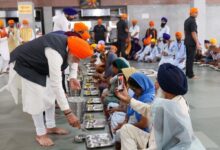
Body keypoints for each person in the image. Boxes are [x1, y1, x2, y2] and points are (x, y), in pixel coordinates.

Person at [1, 34, 93, 146]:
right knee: (37, 98)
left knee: (50, 94)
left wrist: (73, 77)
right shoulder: (55, 53)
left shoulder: (72, 48)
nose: (77, 62)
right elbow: (56, 84)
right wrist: (68, 113)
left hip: (40, 64)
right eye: (77, 58)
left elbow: (74, 63)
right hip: (26, 64)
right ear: (71, 52)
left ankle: (50, 126)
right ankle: (40, 134)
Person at [115, 63, 205, 150]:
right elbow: (150, 110)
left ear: (165, 87)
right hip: (152, 140)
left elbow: (161, 145)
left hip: (161, 146)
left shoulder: (175, 111)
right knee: (126, 129)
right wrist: (129, 100)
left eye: (157, 81)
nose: (155, 84)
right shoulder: (169, 102)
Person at [115, 72, 155, 150]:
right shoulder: (137, 95)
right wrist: (125, 121)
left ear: (142, 86)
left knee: (121, 132)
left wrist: (125, 126)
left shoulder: (147, 99)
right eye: (132, 89)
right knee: (118, 125)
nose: (133, 91)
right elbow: (130, 108)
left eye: (134, 89)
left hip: (146, 132)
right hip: (135, 122)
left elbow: (144, 124)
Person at [184, 7, 201, 79]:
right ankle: (191, 75)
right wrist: (197, 43)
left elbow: (185, 32)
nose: (197, 14)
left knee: (188, 58)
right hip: (191, 43)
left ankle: (187, 73)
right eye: (196, 12)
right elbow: (193, 33)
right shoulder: (193, 21)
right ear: (192, 13)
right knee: (191, 59)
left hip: (187, 41)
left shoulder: (186, 20)